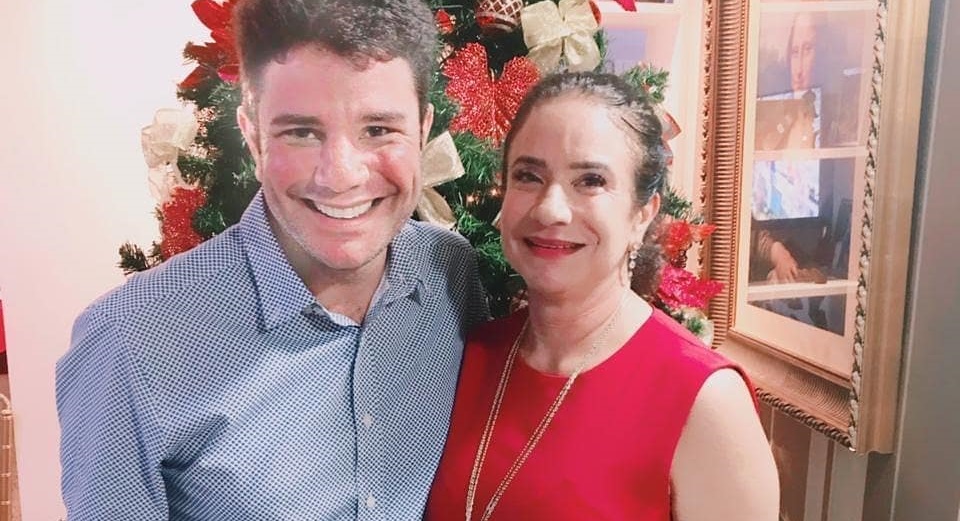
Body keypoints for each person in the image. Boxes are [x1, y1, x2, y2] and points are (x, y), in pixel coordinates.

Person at [55, 0, 488, 518]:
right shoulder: (130, 340)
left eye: (378, 129)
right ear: (253, 136)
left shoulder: (450, 272)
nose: (341, 175)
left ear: (423, 130)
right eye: (301, 132)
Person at [424, 72, 779, 520]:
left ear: (642, 214)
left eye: (590, 181)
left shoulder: (706, 399)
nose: (550, 209)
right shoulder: (475, 354)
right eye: (528, 176)